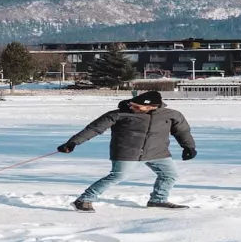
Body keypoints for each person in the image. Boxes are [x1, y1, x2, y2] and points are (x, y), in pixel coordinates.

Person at [58, 89, 196, 211]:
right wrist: (73, 142)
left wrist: (188, 146)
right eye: (132, 104)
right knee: (118, 176)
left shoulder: (171, 115)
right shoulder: (118, 114)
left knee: (170, 175)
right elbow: (94, 129)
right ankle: (84, 200)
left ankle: (158, 200)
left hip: (158, 152)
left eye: (137, 107)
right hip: (127, 151)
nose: (132, 107)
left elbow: (182, 131)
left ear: (152, 106)